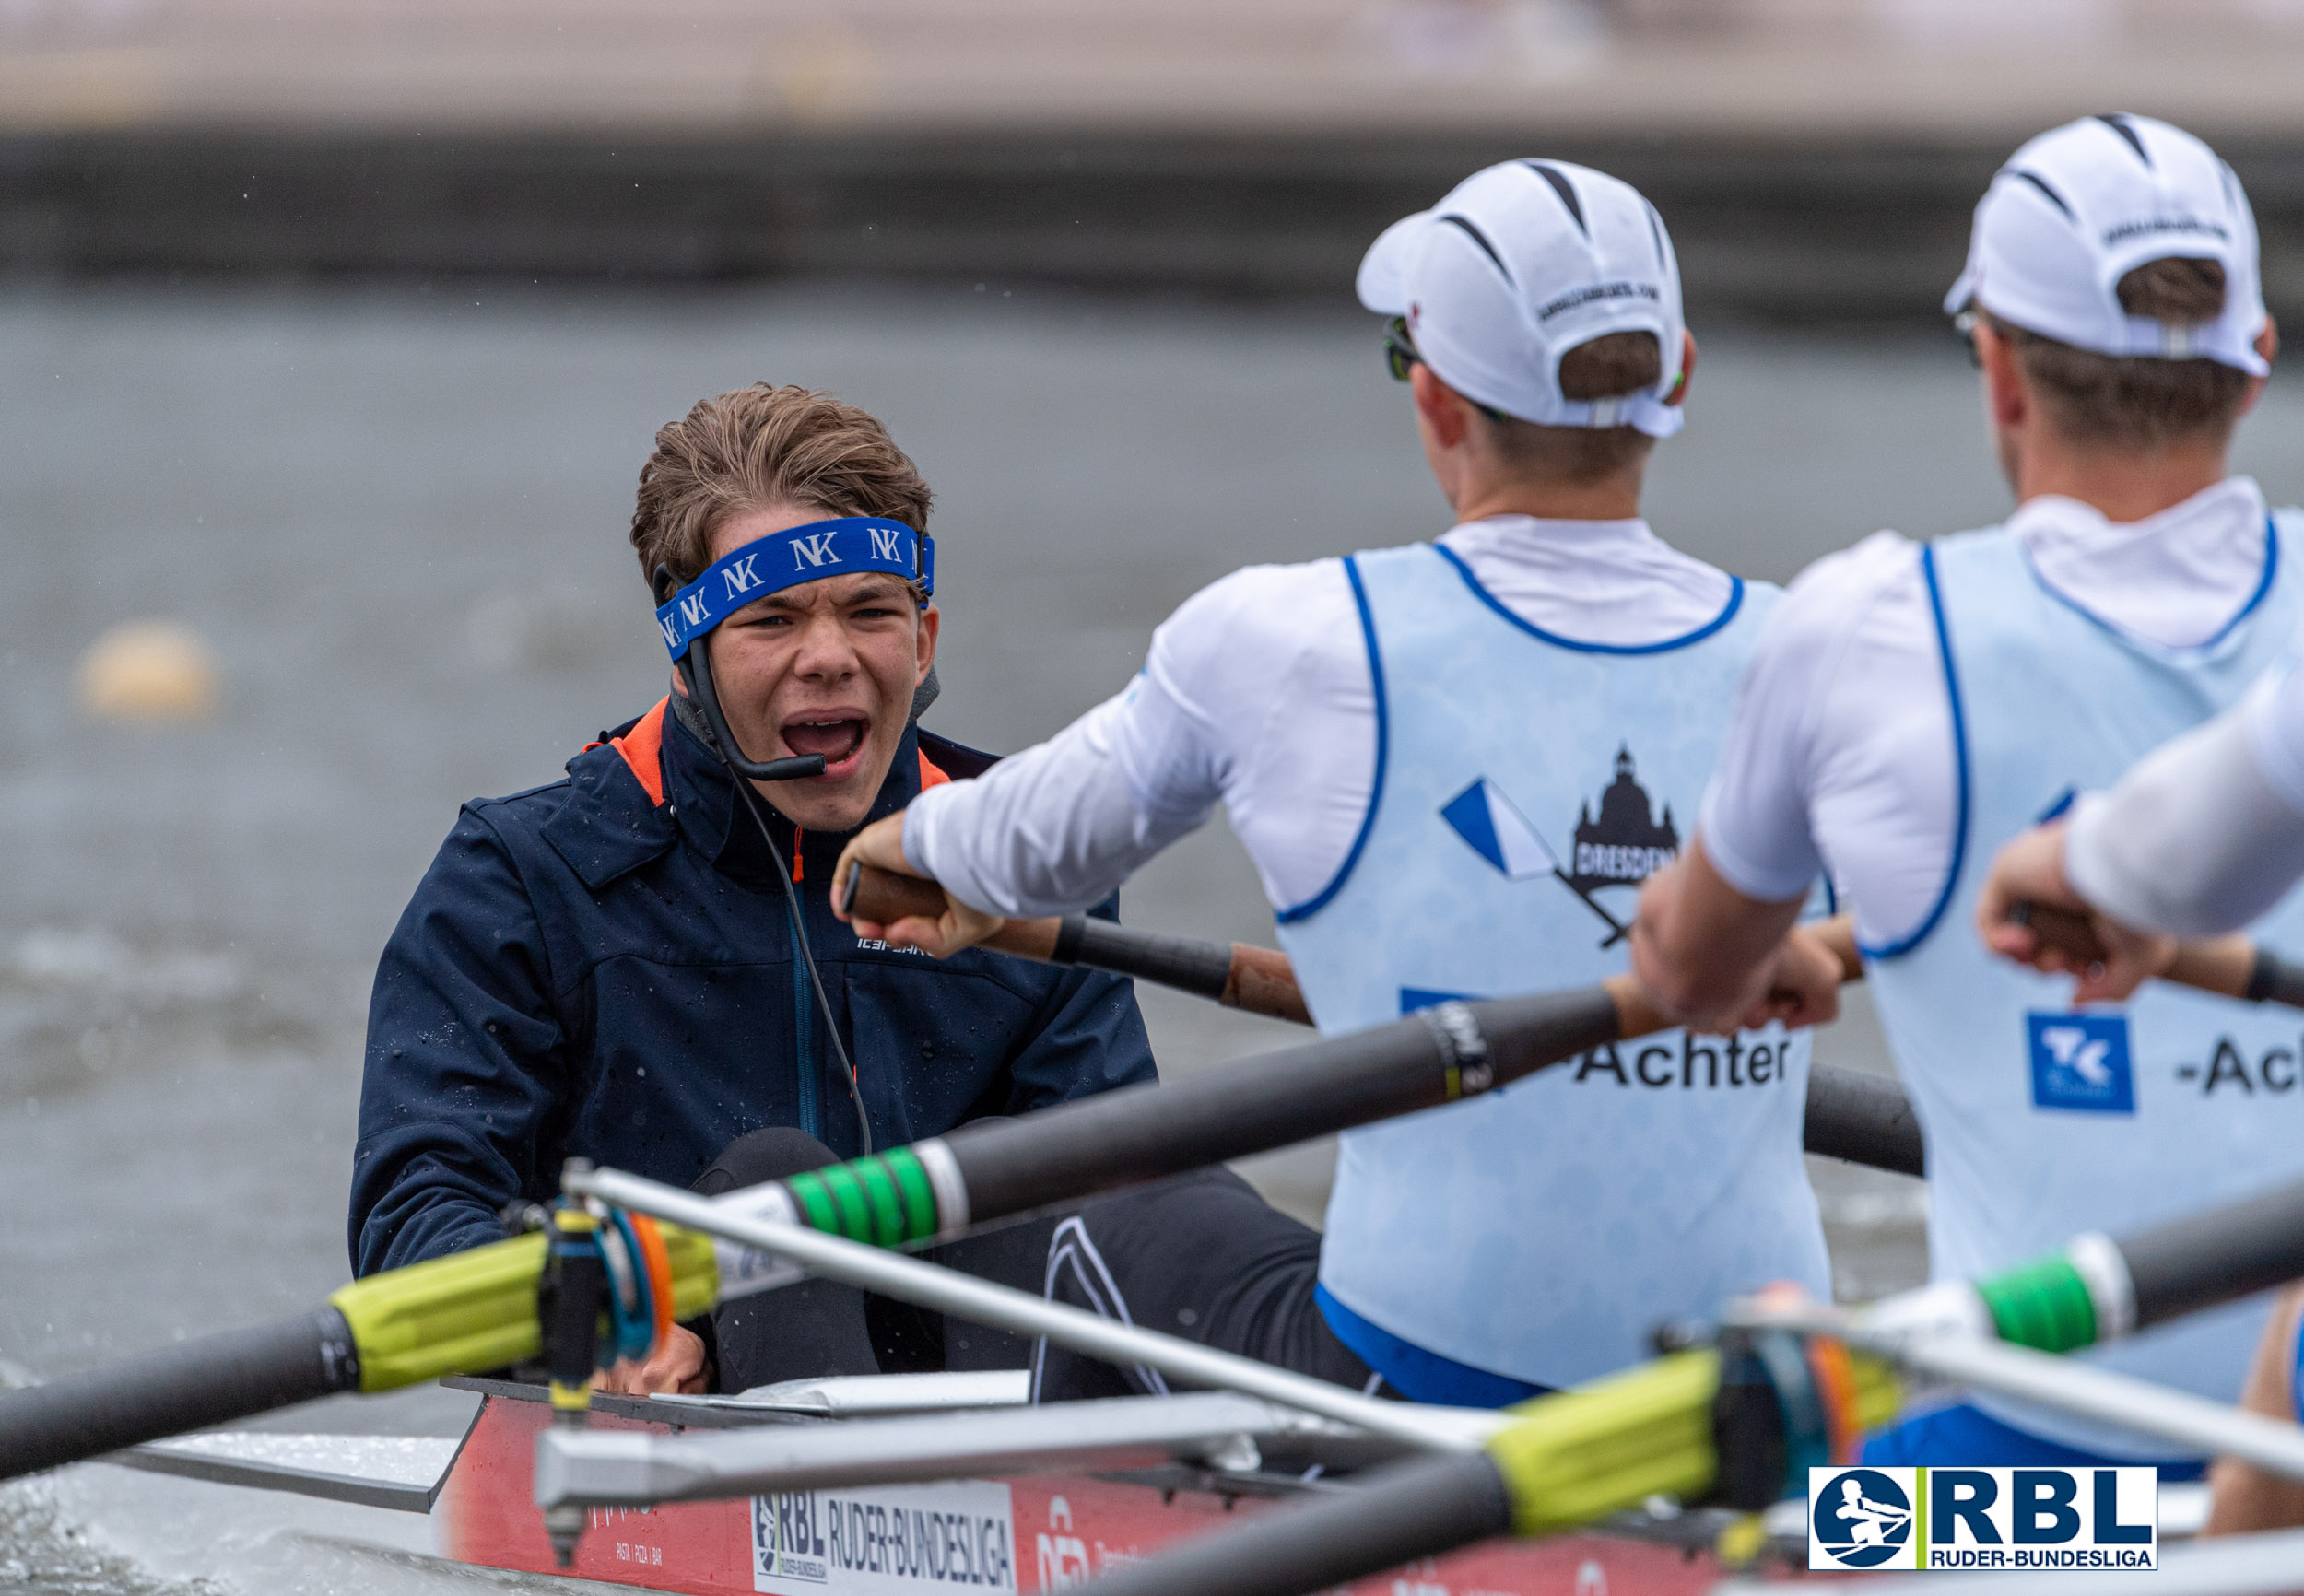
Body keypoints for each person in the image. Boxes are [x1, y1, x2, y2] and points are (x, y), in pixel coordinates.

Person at [835, 160, 1840, 1405]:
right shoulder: (1828, 649)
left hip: (1428, 1385)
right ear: (1677, 374)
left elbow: (1027, 849)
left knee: (1121, 1210)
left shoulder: (1293, 639)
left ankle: (1085, 1541)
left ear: (1431, 396)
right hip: (1771, 1389)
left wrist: (913, 851)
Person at [1631, 114, 2300, 1473]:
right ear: (2255, 369)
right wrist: (1866, 931)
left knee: (1789, 1528)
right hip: (2294, 1451)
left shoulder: (1865, 625)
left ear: (1998, 371)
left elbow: (1693, 979)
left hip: (2046, 1498)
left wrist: (1782, 939)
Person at [350, 383, 1158, 1395]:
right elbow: (414, 1215)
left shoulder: (1027, 861)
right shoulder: (519, 878)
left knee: (1047, 1172)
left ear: (925, 637)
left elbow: (1135, 1215)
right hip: (662, 1405)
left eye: (871, 611)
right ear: (687, 658)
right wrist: (585, 1321)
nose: (829, 658)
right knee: (778, 1181)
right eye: (770, 620)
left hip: (974, 1403)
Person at [1976, 656, 2304, 1534]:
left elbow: (2185, 860)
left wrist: (2068, 861)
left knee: (1847, 1523)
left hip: (2028, 1463)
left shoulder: (1866, 619)